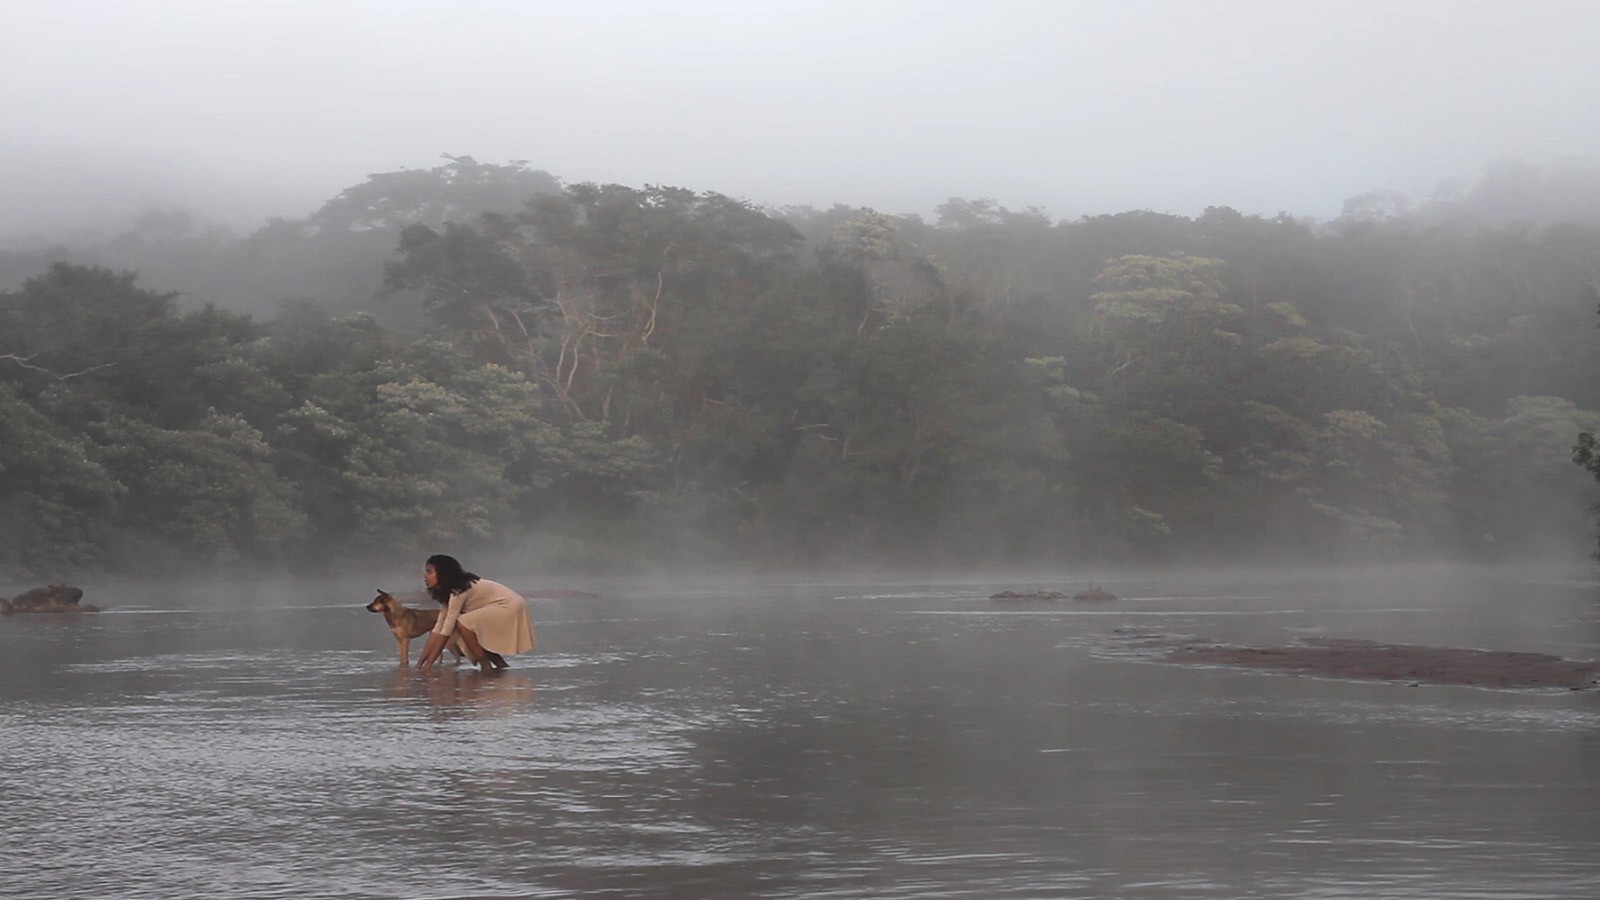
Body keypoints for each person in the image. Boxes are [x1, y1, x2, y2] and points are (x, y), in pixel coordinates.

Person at [415, 554, 536, 673]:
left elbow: (447, 629)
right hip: (501, 605)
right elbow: (438, 628)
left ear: (443, 573)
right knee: (472, 631)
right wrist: (420, 664)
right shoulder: (450, 592)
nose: (425, 576)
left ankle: (485, 666)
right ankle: (500, 665)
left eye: (429, 572)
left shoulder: (459, 590)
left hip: (509, 606)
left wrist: (429, 664)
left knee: (463, 622)